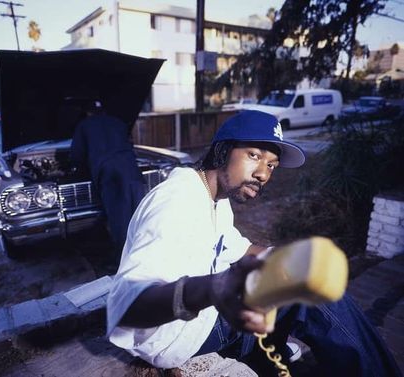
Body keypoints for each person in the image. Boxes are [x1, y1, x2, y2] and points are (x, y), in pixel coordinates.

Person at [106, 110, 402, 376]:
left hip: (199, 327)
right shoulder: (176, 202)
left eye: (272, 165)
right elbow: (127, 306)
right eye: (254, 155)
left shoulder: (214, 199)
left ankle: (270, 355)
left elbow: (240, 249)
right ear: (222, 151)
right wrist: (216, 288)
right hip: (176, 341)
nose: (263, 174)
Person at [70, 109, 146, 254]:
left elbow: (77, 155)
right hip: (131, 167)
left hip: (110, 172)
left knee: (120, 219)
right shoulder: (118, 122)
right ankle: (144, 255)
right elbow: (129, 144)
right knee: (139, 216)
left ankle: (123, 264)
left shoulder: (84, 125)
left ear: (88, 113)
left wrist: (76, 168)